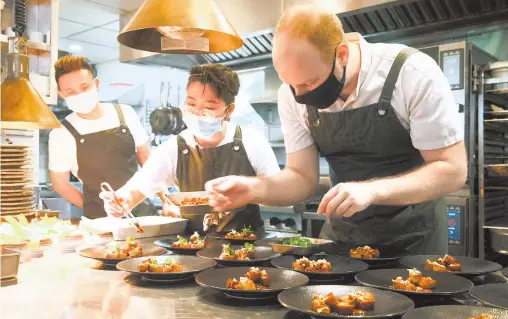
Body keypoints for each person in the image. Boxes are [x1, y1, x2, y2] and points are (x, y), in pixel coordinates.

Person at [204, 6, 467, 254]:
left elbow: (452, 170)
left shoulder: (410, 74)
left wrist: (372, 191)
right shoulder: (291, 94)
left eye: (309, 83)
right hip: (344, 237)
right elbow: (300, 177)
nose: (299, 95)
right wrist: (252, 189)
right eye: (291, 85)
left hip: (415, 237)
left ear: (341, 54)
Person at [99, 64, 280, 232]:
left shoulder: (252, 141)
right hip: (192, 251)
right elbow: (138, 188)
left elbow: (277, 195)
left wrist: (249, 190)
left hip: (248, 251)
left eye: (209, 107)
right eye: (191, 104)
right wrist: (121, 202)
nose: (198, 114)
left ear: (229, 110)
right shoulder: (173, 149)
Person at [49, 55, 170, 219]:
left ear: (96, 84)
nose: (79, 95)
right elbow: (60, 184)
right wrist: (93, 207)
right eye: (71, 92)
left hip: (143, 212)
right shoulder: (61, 134)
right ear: (62, 95)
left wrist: (166, 199)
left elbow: (147, 160)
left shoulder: (125, 113)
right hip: (102, 220)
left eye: (84, 88)